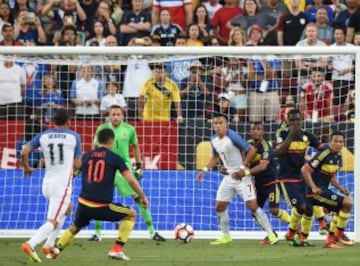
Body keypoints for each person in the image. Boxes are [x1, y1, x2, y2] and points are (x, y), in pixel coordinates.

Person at [53, 128, 149, 260]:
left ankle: (56, 249)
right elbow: (130, 179)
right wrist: (143, 196)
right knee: (131, 214)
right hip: (101, 207)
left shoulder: (86, 156)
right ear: (111, 141)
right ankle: (116, 249)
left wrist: (61, 192)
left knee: (76, 226)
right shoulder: (115, 158)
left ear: (98, 141)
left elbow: (72, 176)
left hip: (83, 204)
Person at [196, 114, 278, 245]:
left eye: (220, 123)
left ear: (225, 124)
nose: (217, 125)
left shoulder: (232, 136)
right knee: (219, 206)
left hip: (243, 178)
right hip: (229, 177)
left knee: (252, 206)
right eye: (215, 123)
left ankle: (271, 234)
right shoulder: (213, 139)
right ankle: (226, 236)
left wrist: (242, 168)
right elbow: (216, 157)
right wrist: (205, 170)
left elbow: (251, 150)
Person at [88, 105, 166, 242]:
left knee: (138, 197)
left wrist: (139, 166)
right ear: (109, 115)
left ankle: (152, 232)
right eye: (113, 114)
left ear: (122, 115)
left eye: (118, 114)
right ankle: (97, 233)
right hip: (105, 168)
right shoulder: (102, 129)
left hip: (123, 168)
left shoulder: (129, 129)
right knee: (98, 199)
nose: (116, 117)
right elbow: (94, 147)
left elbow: (135, 147)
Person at [20, 109, 82, 263]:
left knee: (67, 209)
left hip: (46, 184)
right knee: (52, 221)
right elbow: (78, 164)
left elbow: (23, 152)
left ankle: (49, 244)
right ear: (68, 122)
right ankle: (31, 243)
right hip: (61, 186)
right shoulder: (74, 136)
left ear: (53, 122)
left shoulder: (44, 135)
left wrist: (27, 167)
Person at [276, 108, 323, 246]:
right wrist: (291, 134)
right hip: (286, 178)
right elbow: (280, 151)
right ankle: (291, 234)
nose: (296, 122)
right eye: (292, 120)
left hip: (302, 177)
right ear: (288, 121)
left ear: (301, 120)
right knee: (301, 207)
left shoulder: (307, 136)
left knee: (309, 208)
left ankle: (302, 238)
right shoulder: (282, 134)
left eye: (298, 119)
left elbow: (322, 150)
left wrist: (315, 165)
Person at [301, 131, 355, 248]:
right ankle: (338, 235)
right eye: (335, 141)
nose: (338, 144)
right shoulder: (323, 154)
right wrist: (313, 187)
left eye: (341, 142)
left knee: (341, 208)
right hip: (314, 192)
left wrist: (341, 189)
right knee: (347, 203)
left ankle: (331, 240)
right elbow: (305, 170)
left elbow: (332, 177)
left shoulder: (338, 156)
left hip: (324, 190)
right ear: (330, 142)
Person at [247, 122, 291, 244]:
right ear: (250, 131)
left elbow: (263, 166)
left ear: (262, 132)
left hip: (272, 182)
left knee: (274, 210)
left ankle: (294, 226)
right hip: (258, 185)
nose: (256, 131)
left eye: (258, 129)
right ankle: (271, 233)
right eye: (253, 129)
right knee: (255, 211)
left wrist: (245, 173)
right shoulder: (247, 145)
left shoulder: (266, 147)